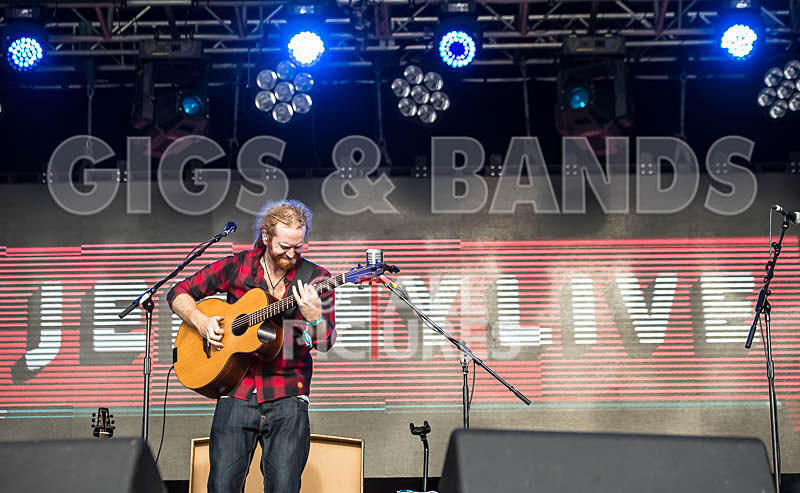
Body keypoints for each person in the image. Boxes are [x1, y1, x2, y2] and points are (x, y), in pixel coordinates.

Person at [166, 200, 336, 493]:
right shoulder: (237, 266)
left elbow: (326, 342)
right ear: (267, 236)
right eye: (285, 246)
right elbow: (178, 292)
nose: (292, 254)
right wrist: (200, 320)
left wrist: (315, 318)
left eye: (298, 247)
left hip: (288, 395)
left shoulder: (316, 277)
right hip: (236, 392)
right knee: (222, 487)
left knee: (283, 487)